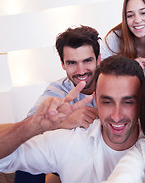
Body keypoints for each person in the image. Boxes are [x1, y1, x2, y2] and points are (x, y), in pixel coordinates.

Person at [0, 55, 145, 183]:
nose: (116, 115)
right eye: (107, 102)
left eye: (128, 102)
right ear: (96, 98)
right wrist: (34, 126)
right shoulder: (70, 141)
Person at [15, 25, 101, 182]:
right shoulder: (58, 89)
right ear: (62, 64)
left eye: (87, 60)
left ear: (99, 59)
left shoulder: (114, 82)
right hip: (70, 156)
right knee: (30, 147)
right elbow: (28, 126)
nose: (81, 70)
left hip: (105, 153)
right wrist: (66, 121)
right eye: (72, 63)